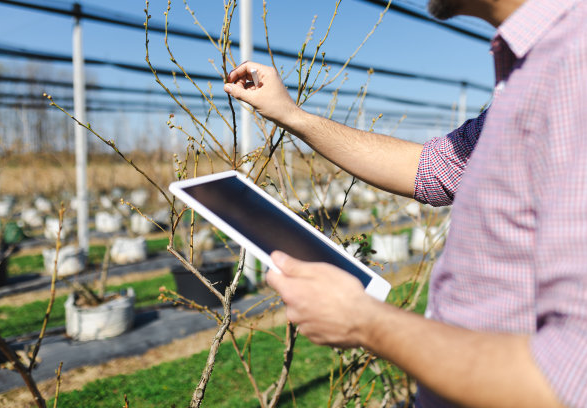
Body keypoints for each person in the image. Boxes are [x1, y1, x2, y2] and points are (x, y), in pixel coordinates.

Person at [223, 0, 586, 406]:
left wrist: (365, 322)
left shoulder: (575, 64)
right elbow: (436, 168)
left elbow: (569, 381)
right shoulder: (538, 65)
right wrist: (293, 116)